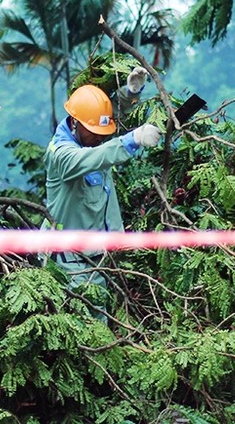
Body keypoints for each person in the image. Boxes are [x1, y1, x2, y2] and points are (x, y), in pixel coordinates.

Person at [43, 67, 161, 301]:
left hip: (98, 256)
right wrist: (132, 140)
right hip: (70, 263)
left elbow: (108, 119)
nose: (100, 137)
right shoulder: (61, 153)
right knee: (90, 325)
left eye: (102, 133)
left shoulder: (88, 135)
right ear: (75, 123)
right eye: (95, 132)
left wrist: (130, 93)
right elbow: (88, 158)